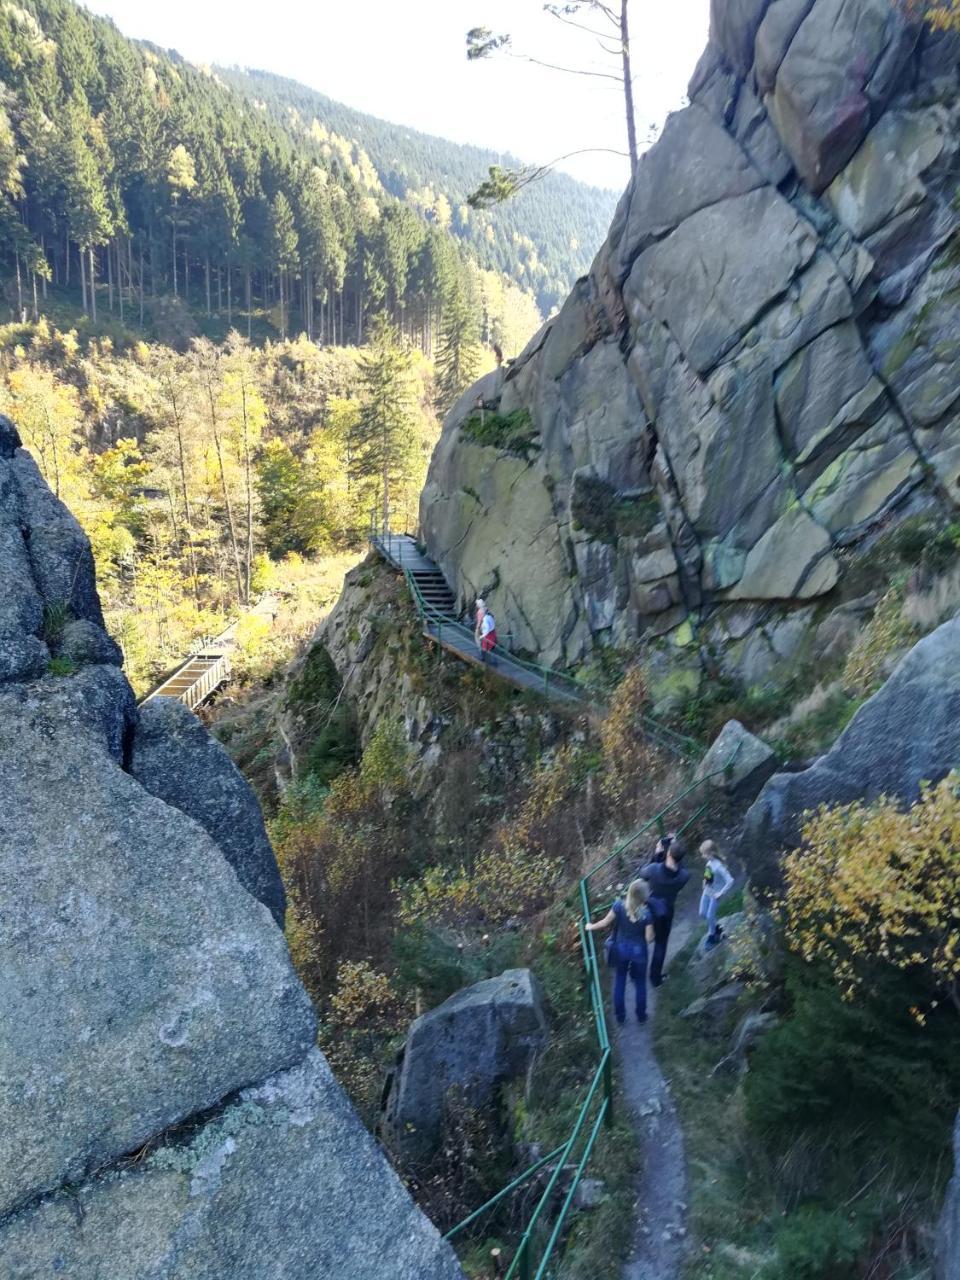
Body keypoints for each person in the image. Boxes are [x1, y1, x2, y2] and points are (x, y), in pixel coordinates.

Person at [585, 879, 655, 1024]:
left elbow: (605, 922)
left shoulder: (618, 906)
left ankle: (620, 1016)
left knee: (620, 980)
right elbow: (649, 939)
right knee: (641, 983)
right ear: (643, 897)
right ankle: (641, 1016)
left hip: (621, 948)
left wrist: (590, 926)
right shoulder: (647, 914)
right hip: (639, 952)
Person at [639, 839, 691, 987]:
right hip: (666, 912)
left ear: (668, 853)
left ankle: (632, 968)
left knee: (640, 938)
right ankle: (655, 979)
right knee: (660, 945)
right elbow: (678, 869)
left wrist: (656, 855)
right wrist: (674, 852)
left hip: (648, 910)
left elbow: (642, 873)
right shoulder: (684, 876)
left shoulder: (653, 869)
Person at [699, 839, 733, 949]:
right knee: (702, 913)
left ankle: (712, 936)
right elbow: (708, 874)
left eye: (704, 854)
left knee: (710, 915)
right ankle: (717, 927)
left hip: (715, 894)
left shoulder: (719, 866)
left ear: (711, 853)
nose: (703, 856)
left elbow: (730, 880)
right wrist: (704, 881)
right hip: (707, 891)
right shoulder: (709, 863)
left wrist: (721, 893)